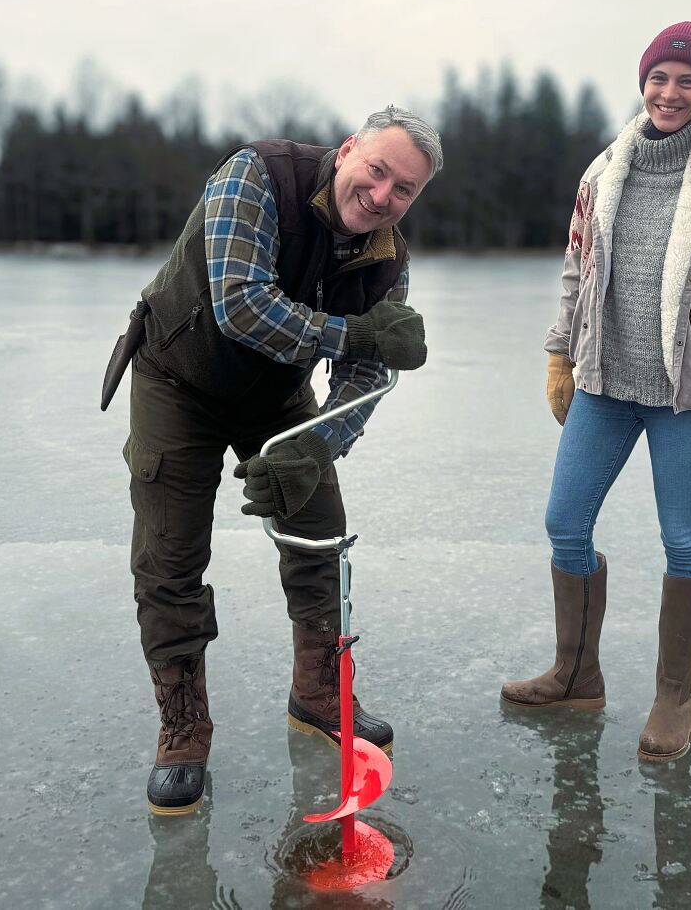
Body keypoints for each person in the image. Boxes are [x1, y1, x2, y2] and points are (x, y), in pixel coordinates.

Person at [113, 105, 443, 815]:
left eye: (404, 189)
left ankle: (318, 692)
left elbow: (367, 378)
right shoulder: (256, 175)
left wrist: (317, 445)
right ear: (349, 149)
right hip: (181, 375)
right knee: (170, 555)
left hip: (277, 391)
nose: (382, 195)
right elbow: (239, 303)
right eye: (376, 170)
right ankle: (182, 727)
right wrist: (353, 335)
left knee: (319, 533)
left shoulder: (388, 259)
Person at [501, 22, 691, 761]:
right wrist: (559, 355)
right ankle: (575, 674)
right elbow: (576, 269)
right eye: (659, 78)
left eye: (685, 81)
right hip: (605, 379)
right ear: (643, 83)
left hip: (687, 391)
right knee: (564, 522)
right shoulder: (605, 168)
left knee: (682, 537)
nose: (669, 93)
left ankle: (673, 697)